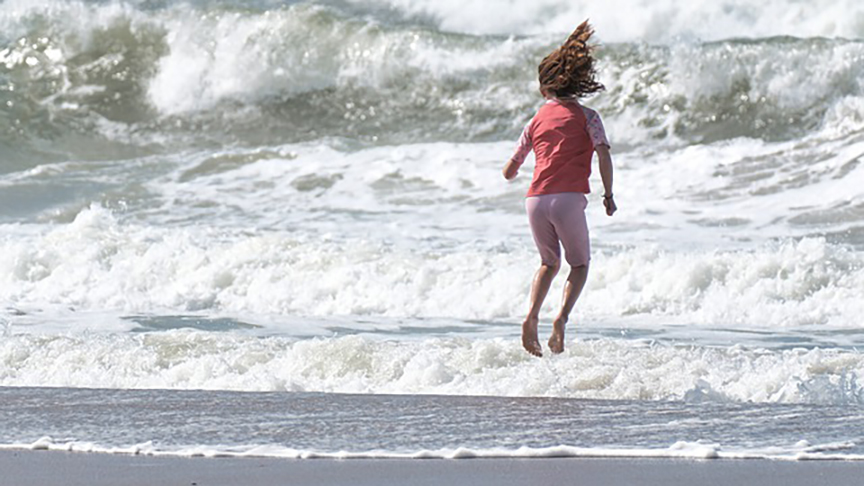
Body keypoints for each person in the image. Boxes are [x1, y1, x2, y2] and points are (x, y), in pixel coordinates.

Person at [502, 20, 616, 357]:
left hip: (535, 201)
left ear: (545, 90)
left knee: (548, 263)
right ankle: (561, 319)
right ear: (578, 84)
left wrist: (512, 170)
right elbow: (603, 153)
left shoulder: (536, 120)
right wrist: (608, 195)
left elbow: (510, 169)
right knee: (578, 265)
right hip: (568, 201)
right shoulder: (588, 117)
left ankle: (531, 316)